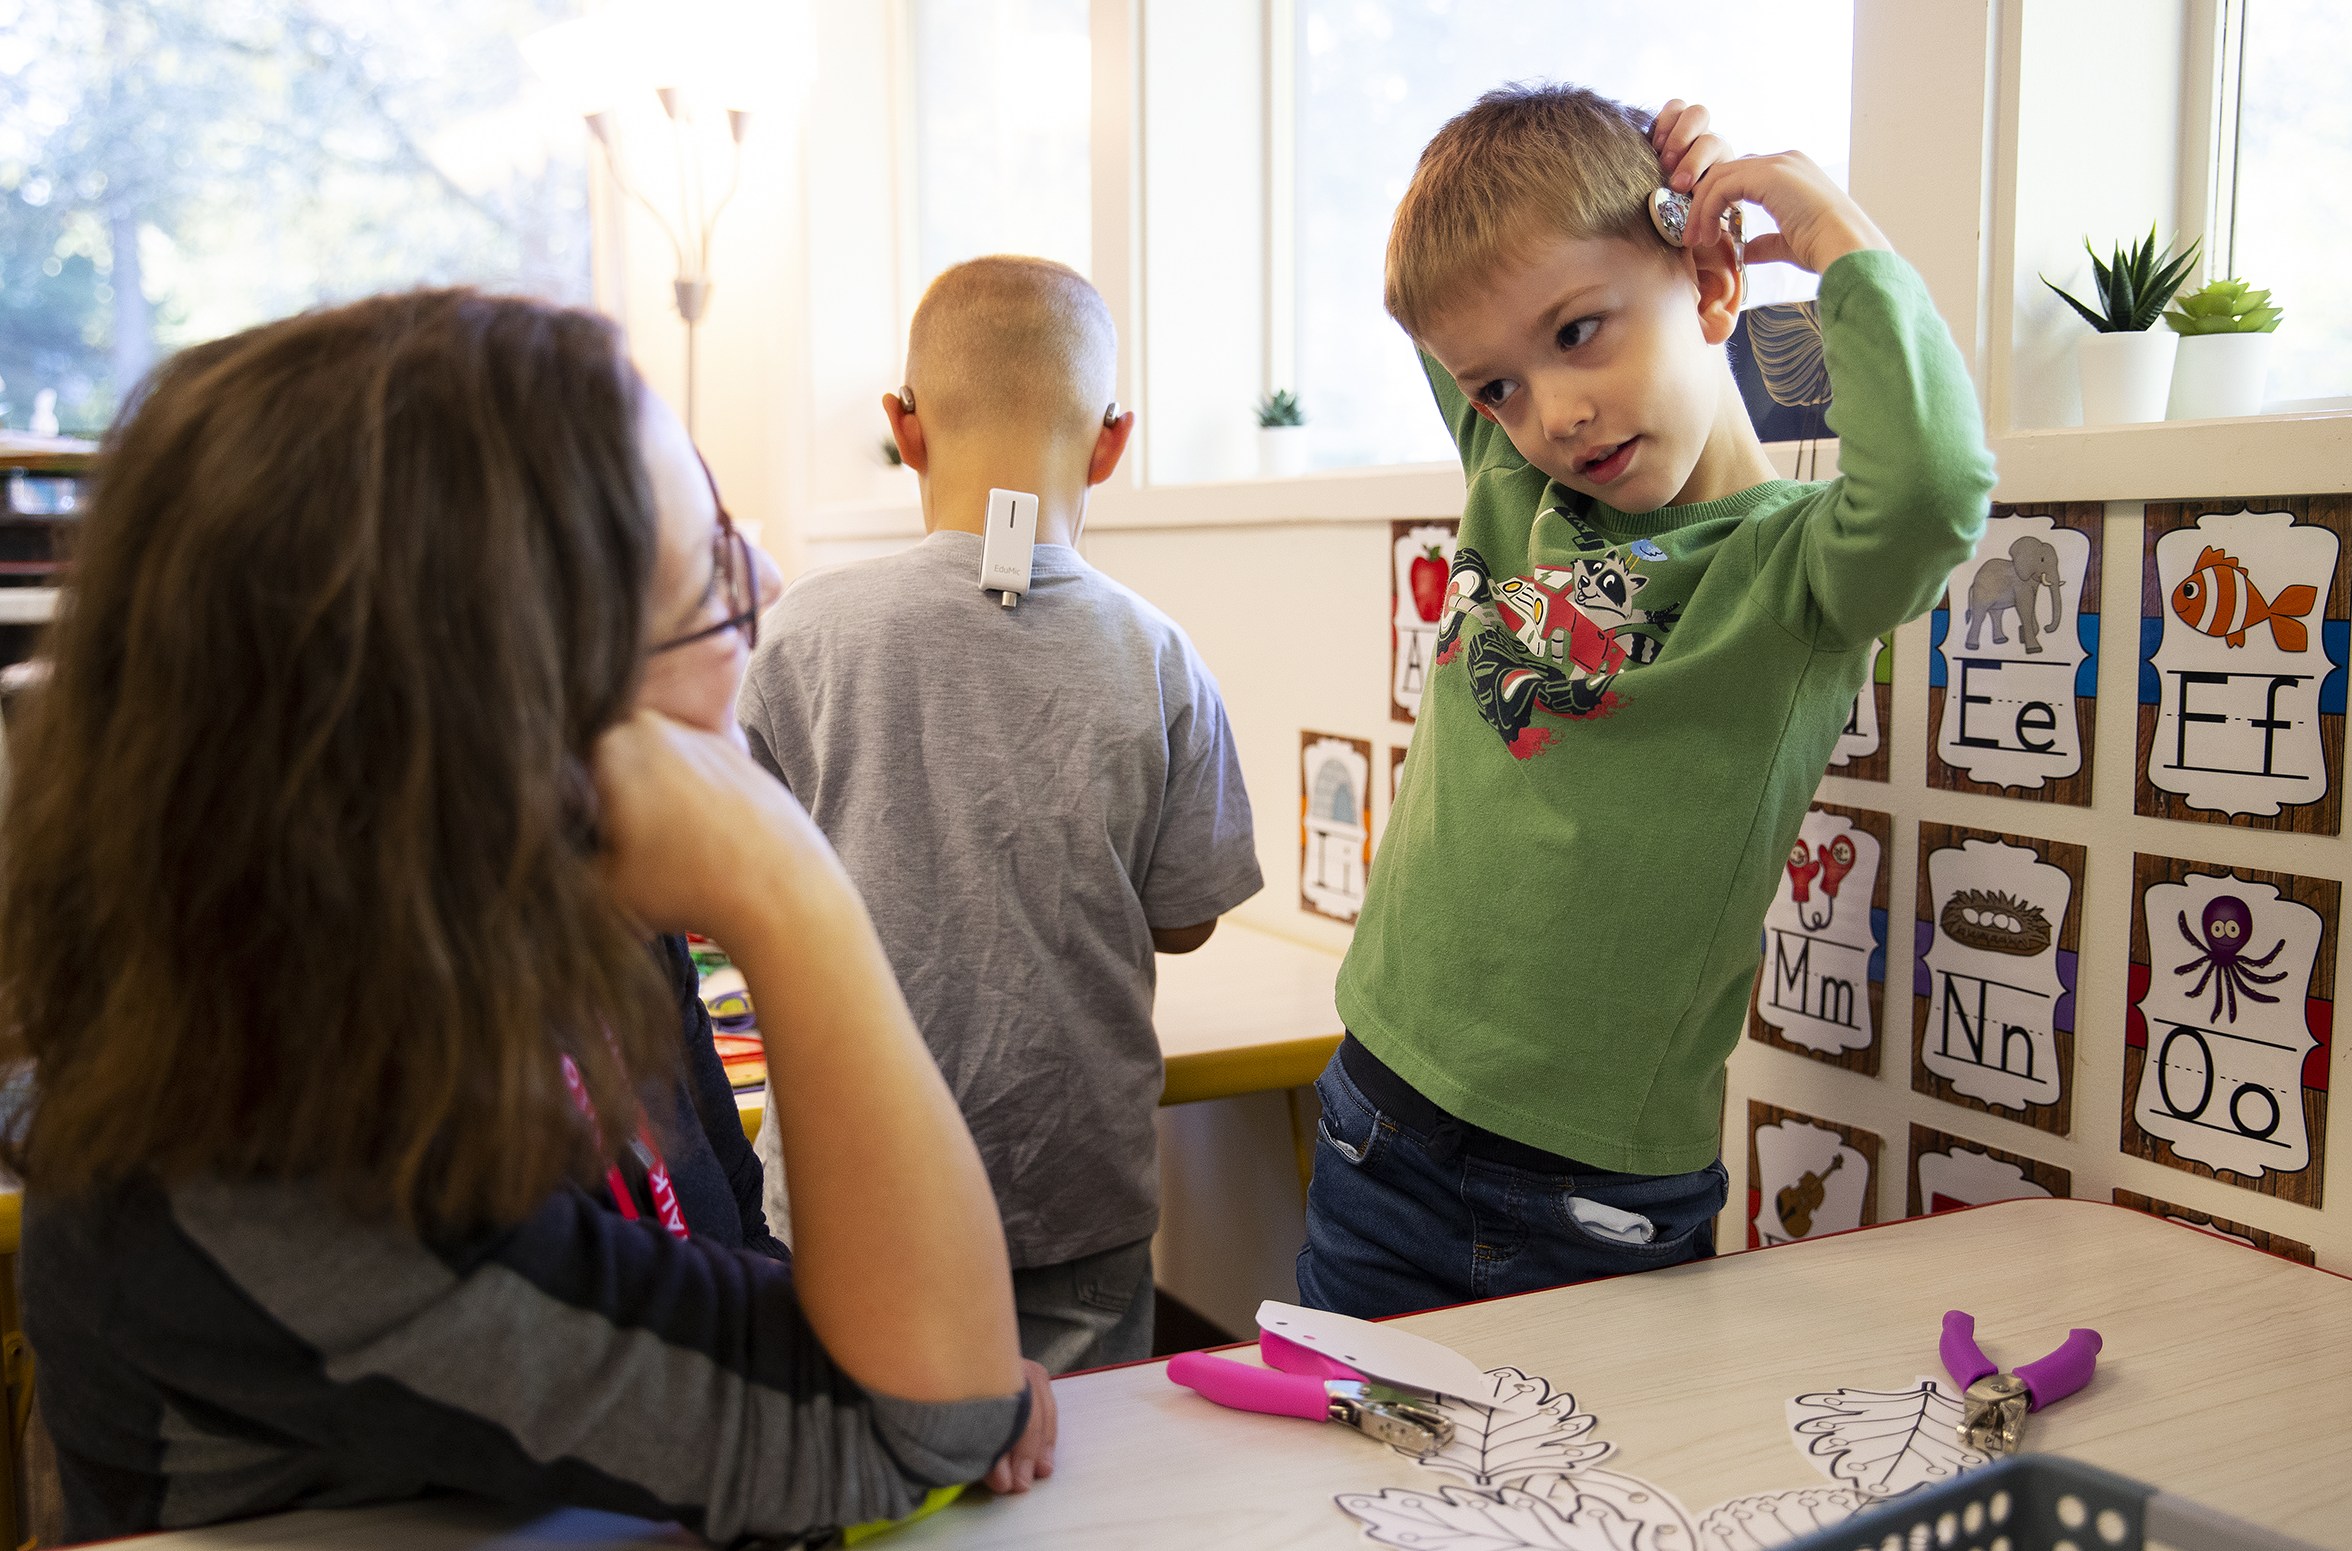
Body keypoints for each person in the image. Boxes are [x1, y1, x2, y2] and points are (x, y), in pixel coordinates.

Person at [0, 289, 1057, 1544]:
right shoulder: (266, 1172)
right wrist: (793, 888)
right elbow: (924, 1415)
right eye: (707, 577)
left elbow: (741, 1274)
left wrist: (899, 1331)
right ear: (511, 715)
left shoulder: (536, 905)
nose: (770, 586)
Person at [1300, 88, 1994, 1317]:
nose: (1552, 413)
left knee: (1578, 1510)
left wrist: (1822, 224)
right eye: (1500, 387)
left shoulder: (1801, 572)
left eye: (1580, 332)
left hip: (1592, 1199)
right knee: (1336, 1494)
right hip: (1375, 1122)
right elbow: (1454, 284)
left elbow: (1935, 487)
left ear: (1712, 286)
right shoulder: (1508, 473)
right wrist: (1612, 191)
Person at [740, 256, 1263, 1373]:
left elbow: (736, 885)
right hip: (1073, 1188)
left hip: (850, 1186)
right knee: (1080, 1491)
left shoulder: (799, 637)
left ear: (904, 426)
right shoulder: (1162, 658)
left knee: (862, 1484)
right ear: (1112, 442)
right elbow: (1185, 919)